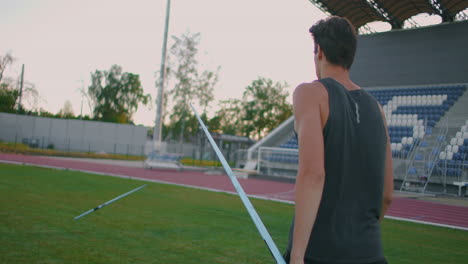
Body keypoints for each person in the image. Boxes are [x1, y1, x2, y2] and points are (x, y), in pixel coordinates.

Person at [284, 16, 394, 264]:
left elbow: (313, 174)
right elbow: (386, 194)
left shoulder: (310, 93)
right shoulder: (377, 108)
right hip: (370, 253)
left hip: (320, 253)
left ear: (319, 51)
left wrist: (297, 256)